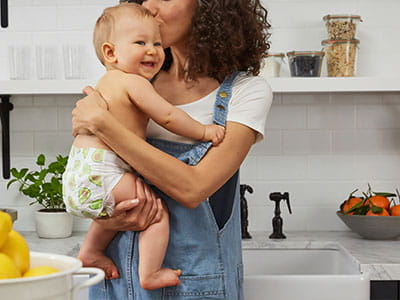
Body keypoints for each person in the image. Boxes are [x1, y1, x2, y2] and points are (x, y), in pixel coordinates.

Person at [71, 0, 272, 299]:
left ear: (209, 7)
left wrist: (105, 125)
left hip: (191, 287)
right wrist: (109, 217)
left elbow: (193, 188)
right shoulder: (132, 81)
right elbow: (98, 171)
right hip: (115, 282)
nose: (150, 6)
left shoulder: (246, 92)